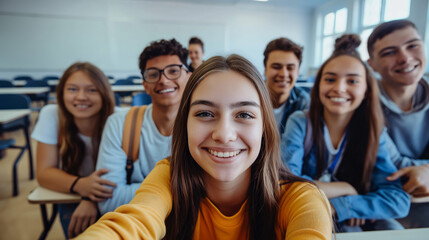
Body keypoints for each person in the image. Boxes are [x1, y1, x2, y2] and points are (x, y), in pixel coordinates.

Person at [75, 55, 333, 239]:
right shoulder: (168, 176)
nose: (224, 135)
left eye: (244, 115)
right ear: (184, 123)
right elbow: (132, 223)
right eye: (205, 114)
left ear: (265, 127)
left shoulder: (300, 199)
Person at [282, 34, 410, 232]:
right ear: (318, 85)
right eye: (330, 79)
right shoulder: (300, 122)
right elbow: (286, 184)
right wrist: (346, 189)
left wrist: (343, 206)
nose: (339, 88)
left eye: (352, 81)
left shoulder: (372, 131)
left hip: (350, 223)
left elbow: (397, 200)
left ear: (366, 90)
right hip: (304, 213)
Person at [96, 38, 190, 215]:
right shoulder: (119, 124)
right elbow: (109, 201)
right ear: (145, 85)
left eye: (174, 71)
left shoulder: (204, 127)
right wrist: (181, 189)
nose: (164, 80)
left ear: (189, 77)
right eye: (154, 74)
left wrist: (134, 189)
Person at [32, 62, 117, 238]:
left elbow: (125, 175)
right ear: (62, 93)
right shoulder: (51, 114)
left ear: (104, 94)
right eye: (72, 89)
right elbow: (44, 173)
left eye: (91, 90)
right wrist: (82, 186)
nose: (81, 97)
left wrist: (90, 198)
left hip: (111, 192)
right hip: (70, 191)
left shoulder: (118, 118)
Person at [367, 19, 429, 228]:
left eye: (413, 46)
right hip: (381, 205)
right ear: (372, 64)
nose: (405, 58)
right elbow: (393, 165)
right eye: (389, 52)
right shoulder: (362, 102)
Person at [263, 37, 310, 135]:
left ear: (297, 72)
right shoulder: (250, 97)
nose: (283, 74)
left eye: (290, 68)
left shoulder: (304, 103)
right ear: (265, 69)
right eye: (276, 67)